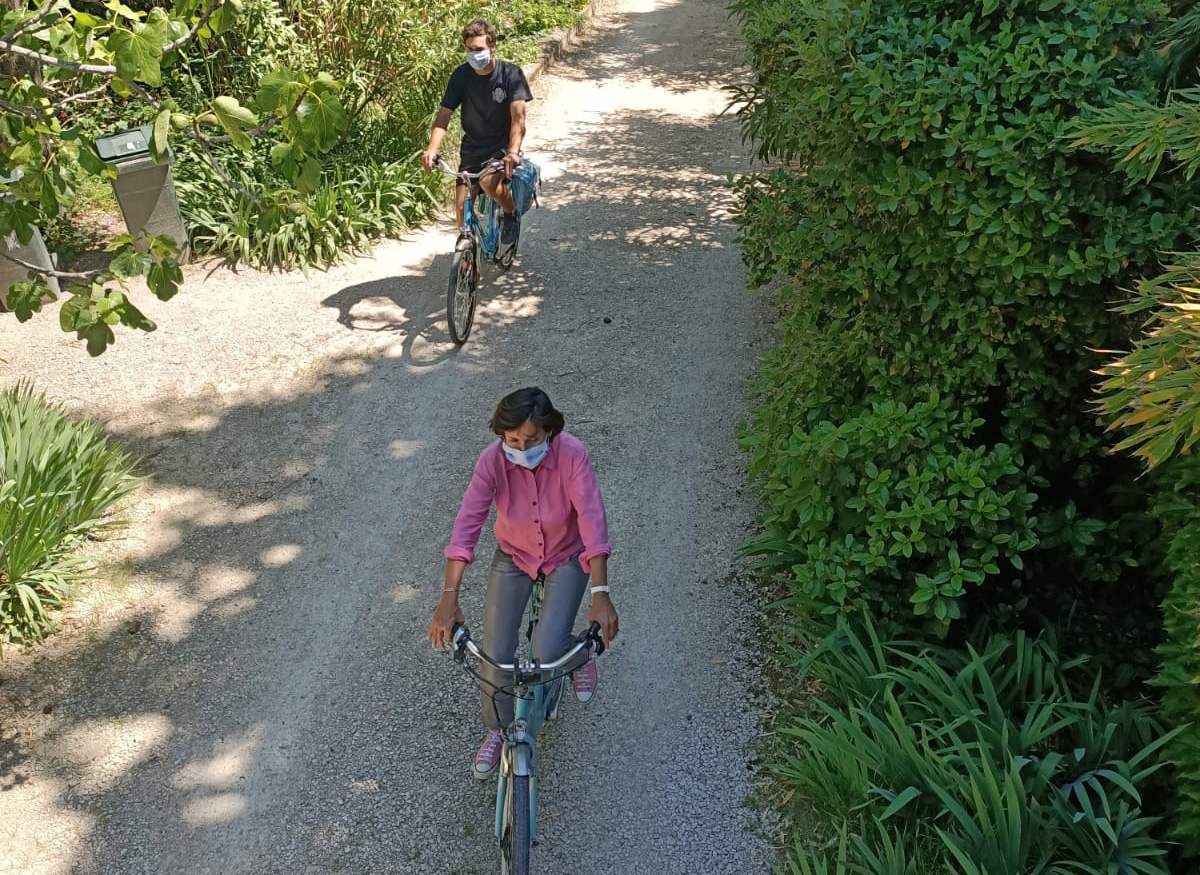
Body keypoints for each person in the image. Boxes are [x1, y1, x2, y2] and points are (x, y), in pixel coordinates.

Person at [428, 387, 620, 779]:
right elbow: (467, 525)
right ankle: (498, 730)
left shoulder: (572, 455)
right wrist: (449, 595)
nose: (521, 448)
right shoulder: (491, 462)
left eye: (531, 440)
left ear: (549, 432)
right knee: (495, 657)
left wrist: (600, 594)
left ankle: (577, 651)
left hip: (567, 556)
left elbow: (592, 522)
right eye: (511, 440)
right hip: (514, 556)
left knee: (547, 653)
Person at [422, 19, 532, 248]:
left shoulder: (510, 74)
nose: (474, 55)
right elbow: (444, 115)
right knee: (461, 208)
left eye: (479, 49)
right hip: (472, 147)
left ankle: (511, 213)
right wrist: (432, 148)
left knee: (489, 183)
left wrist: (512, 152)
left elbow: (518, 118)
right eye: (469, 50)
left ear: (492, 47)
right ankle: (467, 259)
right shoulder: (461, 76)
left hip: (501, 147)